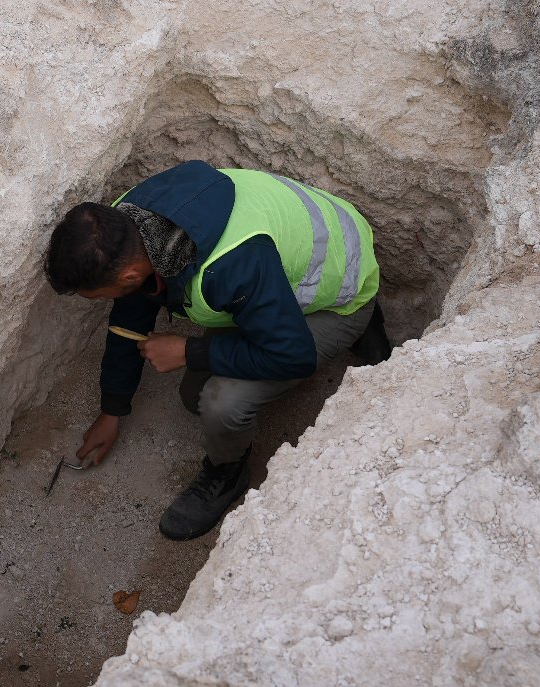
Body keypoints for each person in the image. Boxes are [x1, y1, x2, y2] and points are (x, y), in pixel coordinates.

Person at [42, 160, 390, 540]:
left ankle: (228, 473)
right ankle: (310, 319)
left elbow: (293, 355)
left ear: (127, 276)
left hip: (341, 291)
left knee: (220, 403)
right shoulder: (126, 225)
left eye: (94, 296)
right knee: (191, 397)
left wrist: (189, 351)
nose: (95, 300)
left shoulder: (229, 265)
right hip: (305, 254)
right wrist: (112, 409)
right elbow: (130, 317)